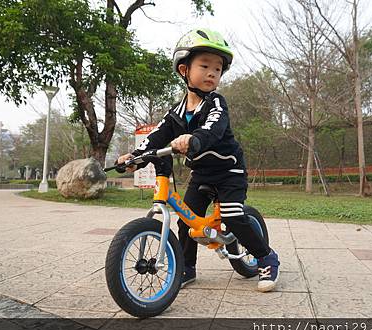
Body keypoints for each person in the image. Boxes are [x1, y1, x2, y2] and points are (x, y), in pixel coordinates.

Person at [117, 29, 280, 292]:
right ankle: (187, 267)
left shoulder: (216, 103)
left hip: (229, 171)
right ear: (184, 69)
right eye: (205, 66)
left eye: (217, 69)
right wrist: (134, 158)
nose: (212, 73)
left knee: (234, 216)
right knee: (186, 219)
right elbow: (156, 137)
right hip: (202, 174)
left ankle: (266, 257)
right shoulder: (176, 113)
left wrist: (194, 139)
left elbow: (214, 128)